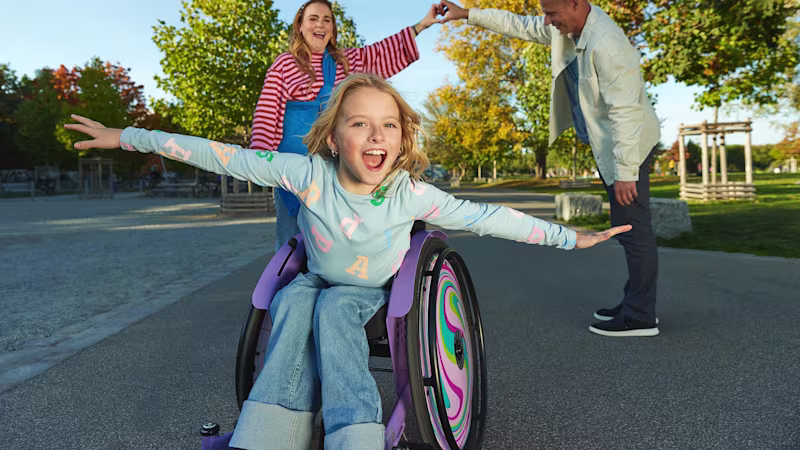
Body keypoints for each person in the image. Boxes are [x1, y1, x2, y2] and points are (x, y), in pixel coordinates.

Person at [64, 74, 631, 449]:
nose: (375, 134)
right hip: (315, 275)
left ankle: (353, 433)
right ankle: (269, 431)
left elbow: (488, 216)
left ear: (402, 138)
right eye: (359, 123)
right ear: (334, 139)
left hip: (374, 291)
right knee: (294, 297)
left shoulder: (409, 193)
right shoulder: (307, 174)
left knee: (334, 308)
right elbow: (224, 155)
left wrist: (567, 238)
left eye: (388, 124)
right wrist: (128, 136)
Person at [438, 0, 662, 337]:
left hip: (629, 149)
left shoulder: (608, 45)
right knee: (627, 226)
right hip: (613, 148)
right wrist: (467, 14)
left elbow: (626, 112)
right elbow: (519, 25)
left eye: (552, 13)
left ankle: (641, 316)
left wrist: (626, 172)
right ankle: (635, 303)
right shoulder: (568, 28)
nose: (546, 20)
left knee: (635, 231)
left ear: (575, 4)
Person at [254, 0, 443, 251]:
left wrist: (421, 25)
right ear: (300, 26)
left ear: (332, 29)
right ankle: (287, 288)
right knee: (292, 243)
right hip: (294, 166)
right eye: (313, 19)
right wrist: (260, 160)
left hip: (334, 165)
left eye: (327, 20)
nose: (320, 24)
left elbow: (380, 52)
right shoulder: (284, 65)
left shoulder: (345, 62)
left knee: (338, 240)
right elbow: (268, 113)